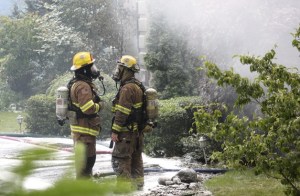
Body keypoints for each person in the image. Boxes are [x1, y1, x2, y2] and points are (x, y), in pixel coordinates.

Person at [67, 51, 104, 179]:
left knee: (84, 168)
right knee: (86, 166)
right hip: (85, 134)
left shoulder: (77, 83)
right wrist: (100, 106)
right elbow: (88, 108)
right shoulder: (83, 86)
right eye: (90, 67)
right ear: (84, 70)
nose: (93, 70)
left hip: (81, 133)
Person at [110, 55, 145, 190]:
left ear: (125, 70)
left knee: (121, 159)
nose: (117, 70)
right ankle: (138, 188)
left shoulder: (127, 88)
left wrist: (115, 131)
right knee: (136, 159)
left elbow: (122, 112)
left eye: (120, 67)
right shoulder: (138, 86)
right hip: (137, 133)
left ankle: (123, 189)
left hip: (126, 133)